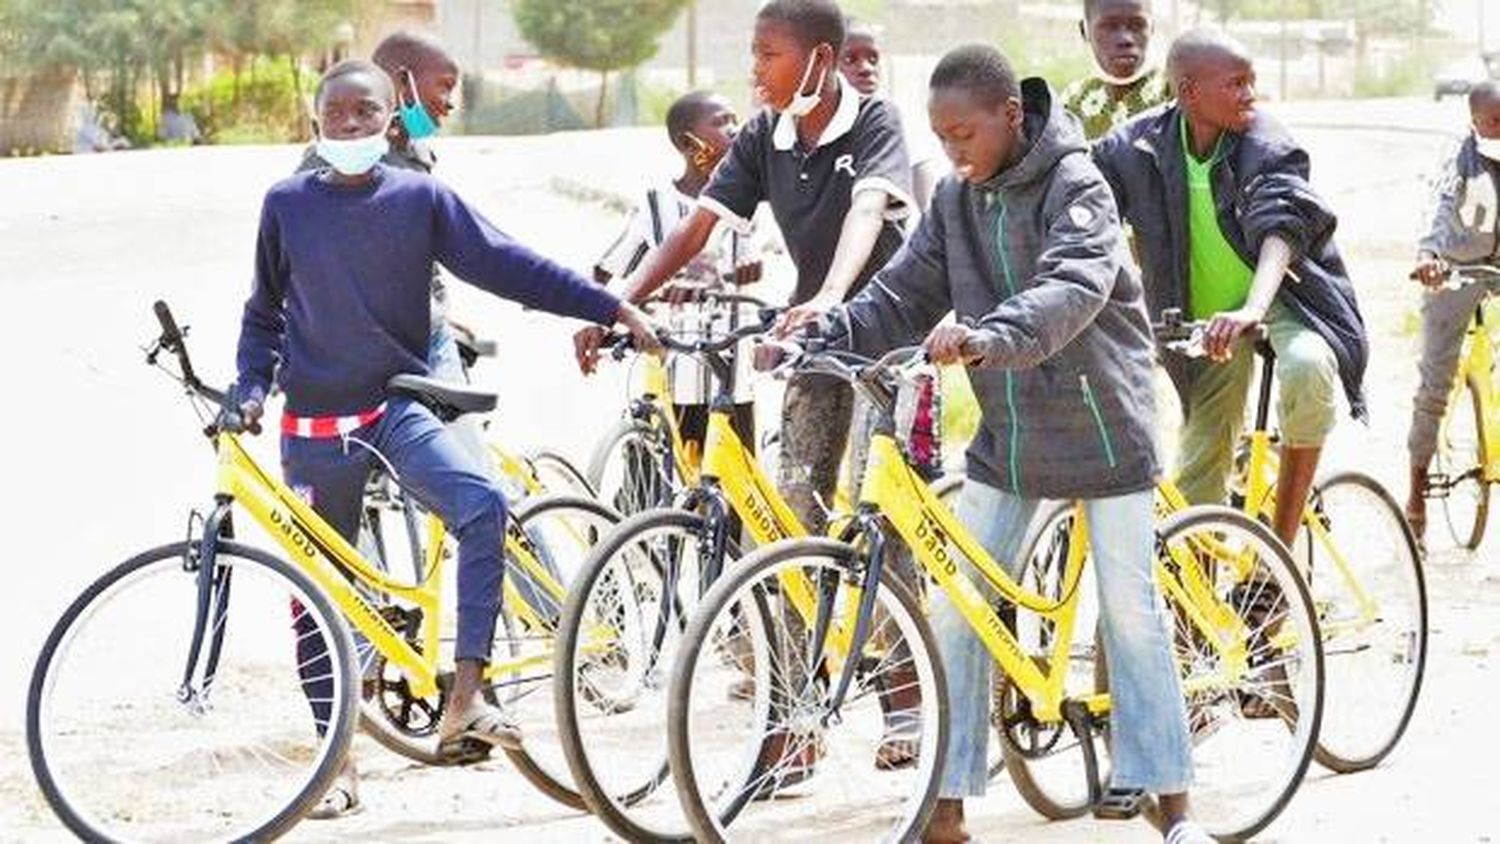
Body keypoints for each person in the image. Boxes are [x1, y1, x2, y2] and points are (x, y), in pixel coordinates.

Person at [225, 58, 657, 815]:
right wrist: (249, 387)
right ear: (315, 123)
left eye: (367, 114)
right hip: (312, 426)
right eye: (338, 115)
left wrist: (608, 306)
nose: (352, 127)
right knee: (323, 594)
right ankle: (336, 763)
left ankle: (466, 696)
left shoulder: (420, 197)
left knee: (483, 501)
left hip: (392, 409)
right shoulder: (286, 203)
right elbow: (264, 312)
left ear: (393, 120)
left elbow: (505, 263)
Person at [814, 43, 1211, 844]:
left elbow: (1074, 282)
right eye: (942, 136)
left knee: (1130, 614)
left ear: (1012, 116)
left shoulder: (1077, 184)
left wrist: (993, 336)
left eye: (965, 133)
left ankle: (1173, 805)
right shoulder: (957, 203)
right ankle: (949, 802)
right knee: (958, 610)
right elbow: (904, 289)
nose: (953, 150)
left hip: (1106, 425)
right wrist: (833, 328)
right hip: (1011, 431)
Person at [574, 0, 913, 541]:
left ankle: (899, 626)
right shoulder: (763, 134)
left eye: (769, 55)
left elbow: (867, 210)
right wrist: (620, 302)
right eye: (753, 54)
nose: (755, 70)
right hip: (816, 332)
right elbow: (698, 226)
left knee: (882, 518)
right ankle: (799, 627)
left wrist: (830, 293)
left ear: (820, 59)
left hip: (893, 332)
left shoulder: (876, 121)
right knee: (800, 507)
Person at [1094, 30, 1367, 549]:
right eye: (1236, 84)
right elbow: (1083, 208)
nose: (1250, 95)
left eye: (1252, 83)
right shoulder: (1135, 147)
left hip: (1284, 298)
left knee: (1309, 367)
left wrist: (1253, 308)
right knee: (1199, 463)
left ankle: (1280, 553)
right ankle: (1199, 610)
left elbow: (1281, 230)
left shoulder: (1266, 142)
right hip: (1209, 318)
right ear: (1188, 91)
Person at [593, 91, 763, 461]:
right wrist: (588, 311)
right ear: (688, 142)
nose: (734, 129)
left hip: (737, 360)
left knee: (739, 467)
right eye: (721, 122)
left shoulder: (753, 195)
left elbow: (775, 246)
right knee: (678, 462)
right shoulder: (658, 204)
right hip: (680, 360)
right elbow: (610, 265)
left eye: (735, 119)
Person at [1404, 79, 1500, 541]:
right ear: (1476, 122)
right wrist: (1429, 258)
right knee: (1435, 382)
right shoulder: (1459, 159)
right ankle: (1416, 489)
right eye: (1495, 123)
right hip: (1455, 269)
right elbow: (1438, 207)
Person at [1060, 0, 1171, 141]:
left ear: (1152, 28)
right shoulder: (1071, 102)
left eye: (1137, 25)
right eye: (1109, 27)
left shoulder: (1175, 92)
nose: (1125, 39)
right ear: (1085, 31)